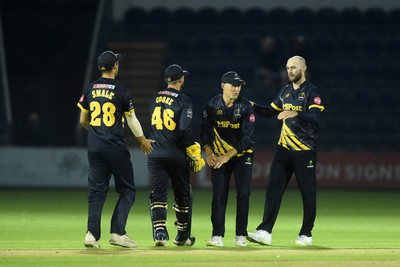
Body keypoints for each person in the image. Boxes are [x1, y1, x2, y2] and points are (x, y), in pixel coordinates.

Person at [77, 50, 154, 248]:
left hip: (94, 148)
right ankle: (118, 232)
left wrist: (97, 133)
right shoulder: (121, 90)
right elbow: (131, 120)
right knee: (127, 190)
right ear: (115, 67)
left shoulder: (90, 88)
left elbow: (83, 120)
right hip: (115, 148)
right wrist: (143, 140)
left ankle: (91, 235)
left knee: (96, 192)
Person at [247, 56, 325, 247]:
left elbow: (315, 117)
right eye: (288, 68)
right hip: (283, 150)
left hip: (305, 150)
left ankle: (306, 233)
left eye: (294, 68)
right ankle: (265, 231)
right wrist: (252, 105)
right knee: (273, 190)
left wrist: (295, 113)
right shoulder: (285, 91)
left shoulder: (312, 91)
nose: (290, 71)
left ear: (303, 68)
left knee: (308, 193)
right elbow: (269, 112)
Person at [148, 64, 205, 247]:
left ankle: (159, 232)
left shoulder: (154, 98)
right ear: (180, 80)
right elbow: (183, 128)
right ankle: (182, 235)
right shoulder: (184, 100)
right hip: (176, 153)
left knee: (158, 193)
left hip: (155, 153)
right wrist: (192, 147)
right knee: (183, 194)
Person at [200, 71, 256, 247]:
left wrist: (227, 156)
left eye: (239, 86)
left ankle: (240, 235)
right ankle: (217, 236)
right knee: (219, 194)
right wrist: (209, 153)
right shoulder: (212, 105)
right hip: (218, 156)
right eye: (233, 85)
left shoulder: (246, 107)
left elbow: (247, 139)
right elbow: (205, 131)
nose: (237, 89)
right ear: (223, 86)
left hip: (242, 155)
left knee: (243, 194)